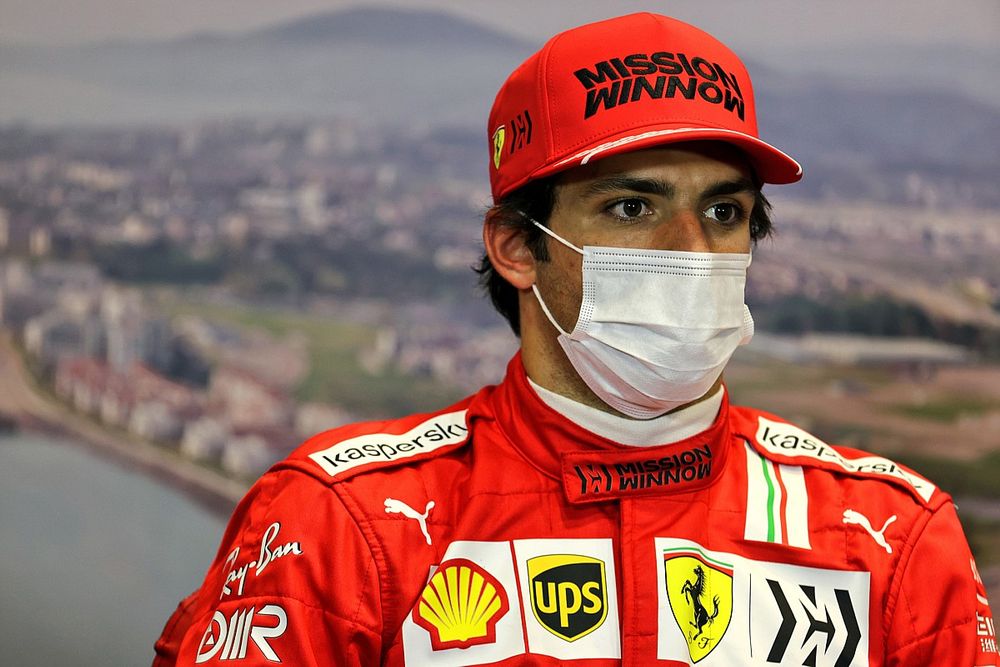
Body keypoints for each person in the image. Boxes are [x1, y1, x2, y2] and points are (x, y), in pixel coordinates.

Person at [154, 13, 997, 666]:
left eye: (723, 210)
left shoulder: (888, 536)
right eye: (632, 207)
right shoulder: (347, 524)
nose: (692, 250)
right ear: (518, 247)